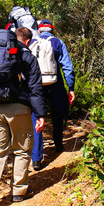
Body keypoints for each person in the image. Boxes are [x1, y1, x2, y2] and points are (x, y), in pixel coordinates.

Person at [0, 27, 47, 206]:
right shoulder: (28, 58)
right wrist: (40, 114)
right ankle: (18, 191)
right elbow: (35, 88)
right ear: (26, 41)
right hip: (20, 109)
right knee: (21, 150)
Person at [30, 19, 75, 171]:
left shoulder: (31, 42)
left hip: (35, 85)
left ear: (39, 30)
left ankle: (36, 159)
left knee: (36, 118)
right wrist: (71, 87)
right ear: (52, 30)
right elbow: (67, 66)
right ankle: (58, 143)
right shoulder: (57, 42)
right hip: (54, 84)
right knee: (57, 112)